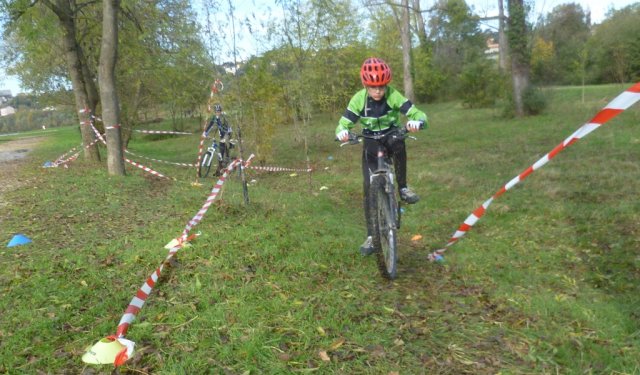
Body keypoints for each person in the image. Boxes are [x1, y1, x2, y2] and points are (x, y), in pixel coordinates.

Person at [335, 57, 428, 255]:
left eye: (382, 87)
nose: (378, 91)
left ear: (387, 85)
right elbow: (343, 123)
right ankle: (371, 236)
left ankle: (402, 187)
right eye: (373, 87)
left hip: (390, 134)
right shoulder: (358, 99)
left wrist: (417, 122)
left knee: (399, 142)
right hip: (370, 138)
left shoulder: (393, 95)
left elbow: (417, 113)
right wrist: (342, 132)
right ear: (365, 85)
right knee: (369, 188)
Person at [204, 103, 234, 175]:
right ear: (215, 112)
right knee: (220, 153)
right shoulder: (215, 117)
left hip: (227, 132)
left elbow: (225, 128)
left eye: (219, 111)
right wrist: (205, 133)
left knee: (223, 148)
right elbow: (210, 125)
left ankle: (226, 165)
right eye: (217, 111)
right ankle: (219, 170)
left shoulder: (223, 118)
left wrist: (225, 138)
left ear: (221, 111)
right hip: (221, 135)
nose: (218, 113)